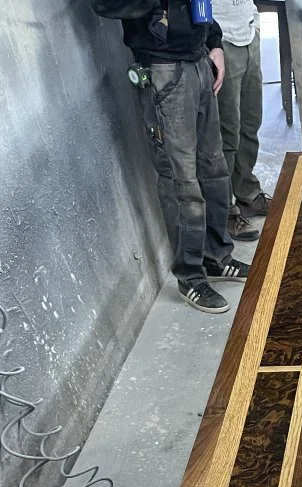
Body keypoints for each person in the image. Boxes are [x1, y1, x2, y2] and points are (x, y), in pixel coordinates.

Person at [107, 1, 253, 314]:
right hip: (162, 69)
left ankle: (216, 257)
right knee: (180, 179)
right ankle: (190, 276)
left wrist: (214, 43)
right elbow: (106, 5)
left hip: (199, 60)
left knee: (214, 170)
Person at [211, 0, 271, 243]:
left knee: (250, 122)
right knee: (227, 133)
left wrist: (255, 24)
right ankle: (226, 211)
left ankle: (247, 193)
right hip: (221, 40)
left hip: (247, 32)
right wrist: (212, 43)